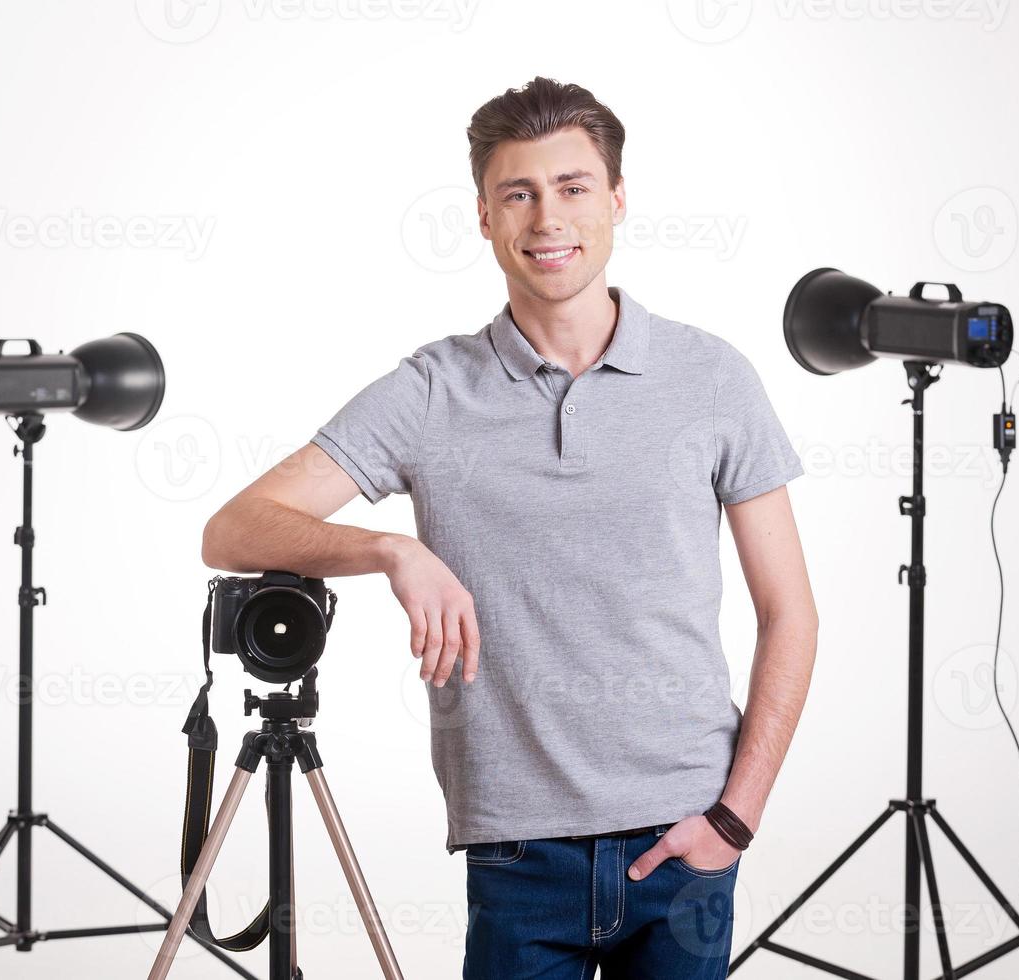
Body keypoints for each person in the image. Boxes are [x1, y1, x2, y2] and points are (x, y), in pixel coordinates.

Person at [202, 75, 819, 979]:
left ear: (615, 201)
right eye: (517, 194)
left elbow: (790, 613)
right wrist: (388, 548)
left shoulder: (712, 377)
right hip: (516, 850)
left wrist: (735, 817)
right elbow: (233, 529)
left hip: (683, 835)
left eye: (571, 188)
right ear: (485, 218)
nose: (547, 219)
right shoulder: (430, 391)